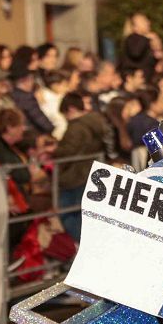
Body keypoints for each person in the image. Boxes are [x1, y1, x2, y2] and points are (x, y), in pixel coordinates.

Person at [56, 92, 110, 241]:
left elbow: (68, 151)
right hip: (90, 173)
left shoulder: (77, 127)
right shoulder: (95, 123)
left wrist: (54, 150)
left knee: (67, 213)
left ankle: (81, 245)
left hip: (75, 177)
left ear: (71, 109)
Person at [0, 107, 31, 194]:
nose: (23, 129)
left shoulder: (5, 145)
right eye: (20, 125)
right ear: (10, 128)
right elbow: (19, 174)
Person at [9, 68, 54, 136]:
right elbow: (39, 119)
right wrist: (51, 129)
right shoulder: (26, 98)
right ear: (25, 81)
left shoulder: (12, 95)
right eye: (31, 79)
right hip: (32, 134)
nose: (33, 82)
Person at [120, 13, 159, 81]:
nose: (148, 23)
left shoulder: (145, 39)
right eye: (144, 21)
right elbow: (136, 53)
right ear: (135, 27)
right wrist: (145, 38)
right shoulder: (131, 39)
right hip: (134, 79)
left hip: (147, 78)